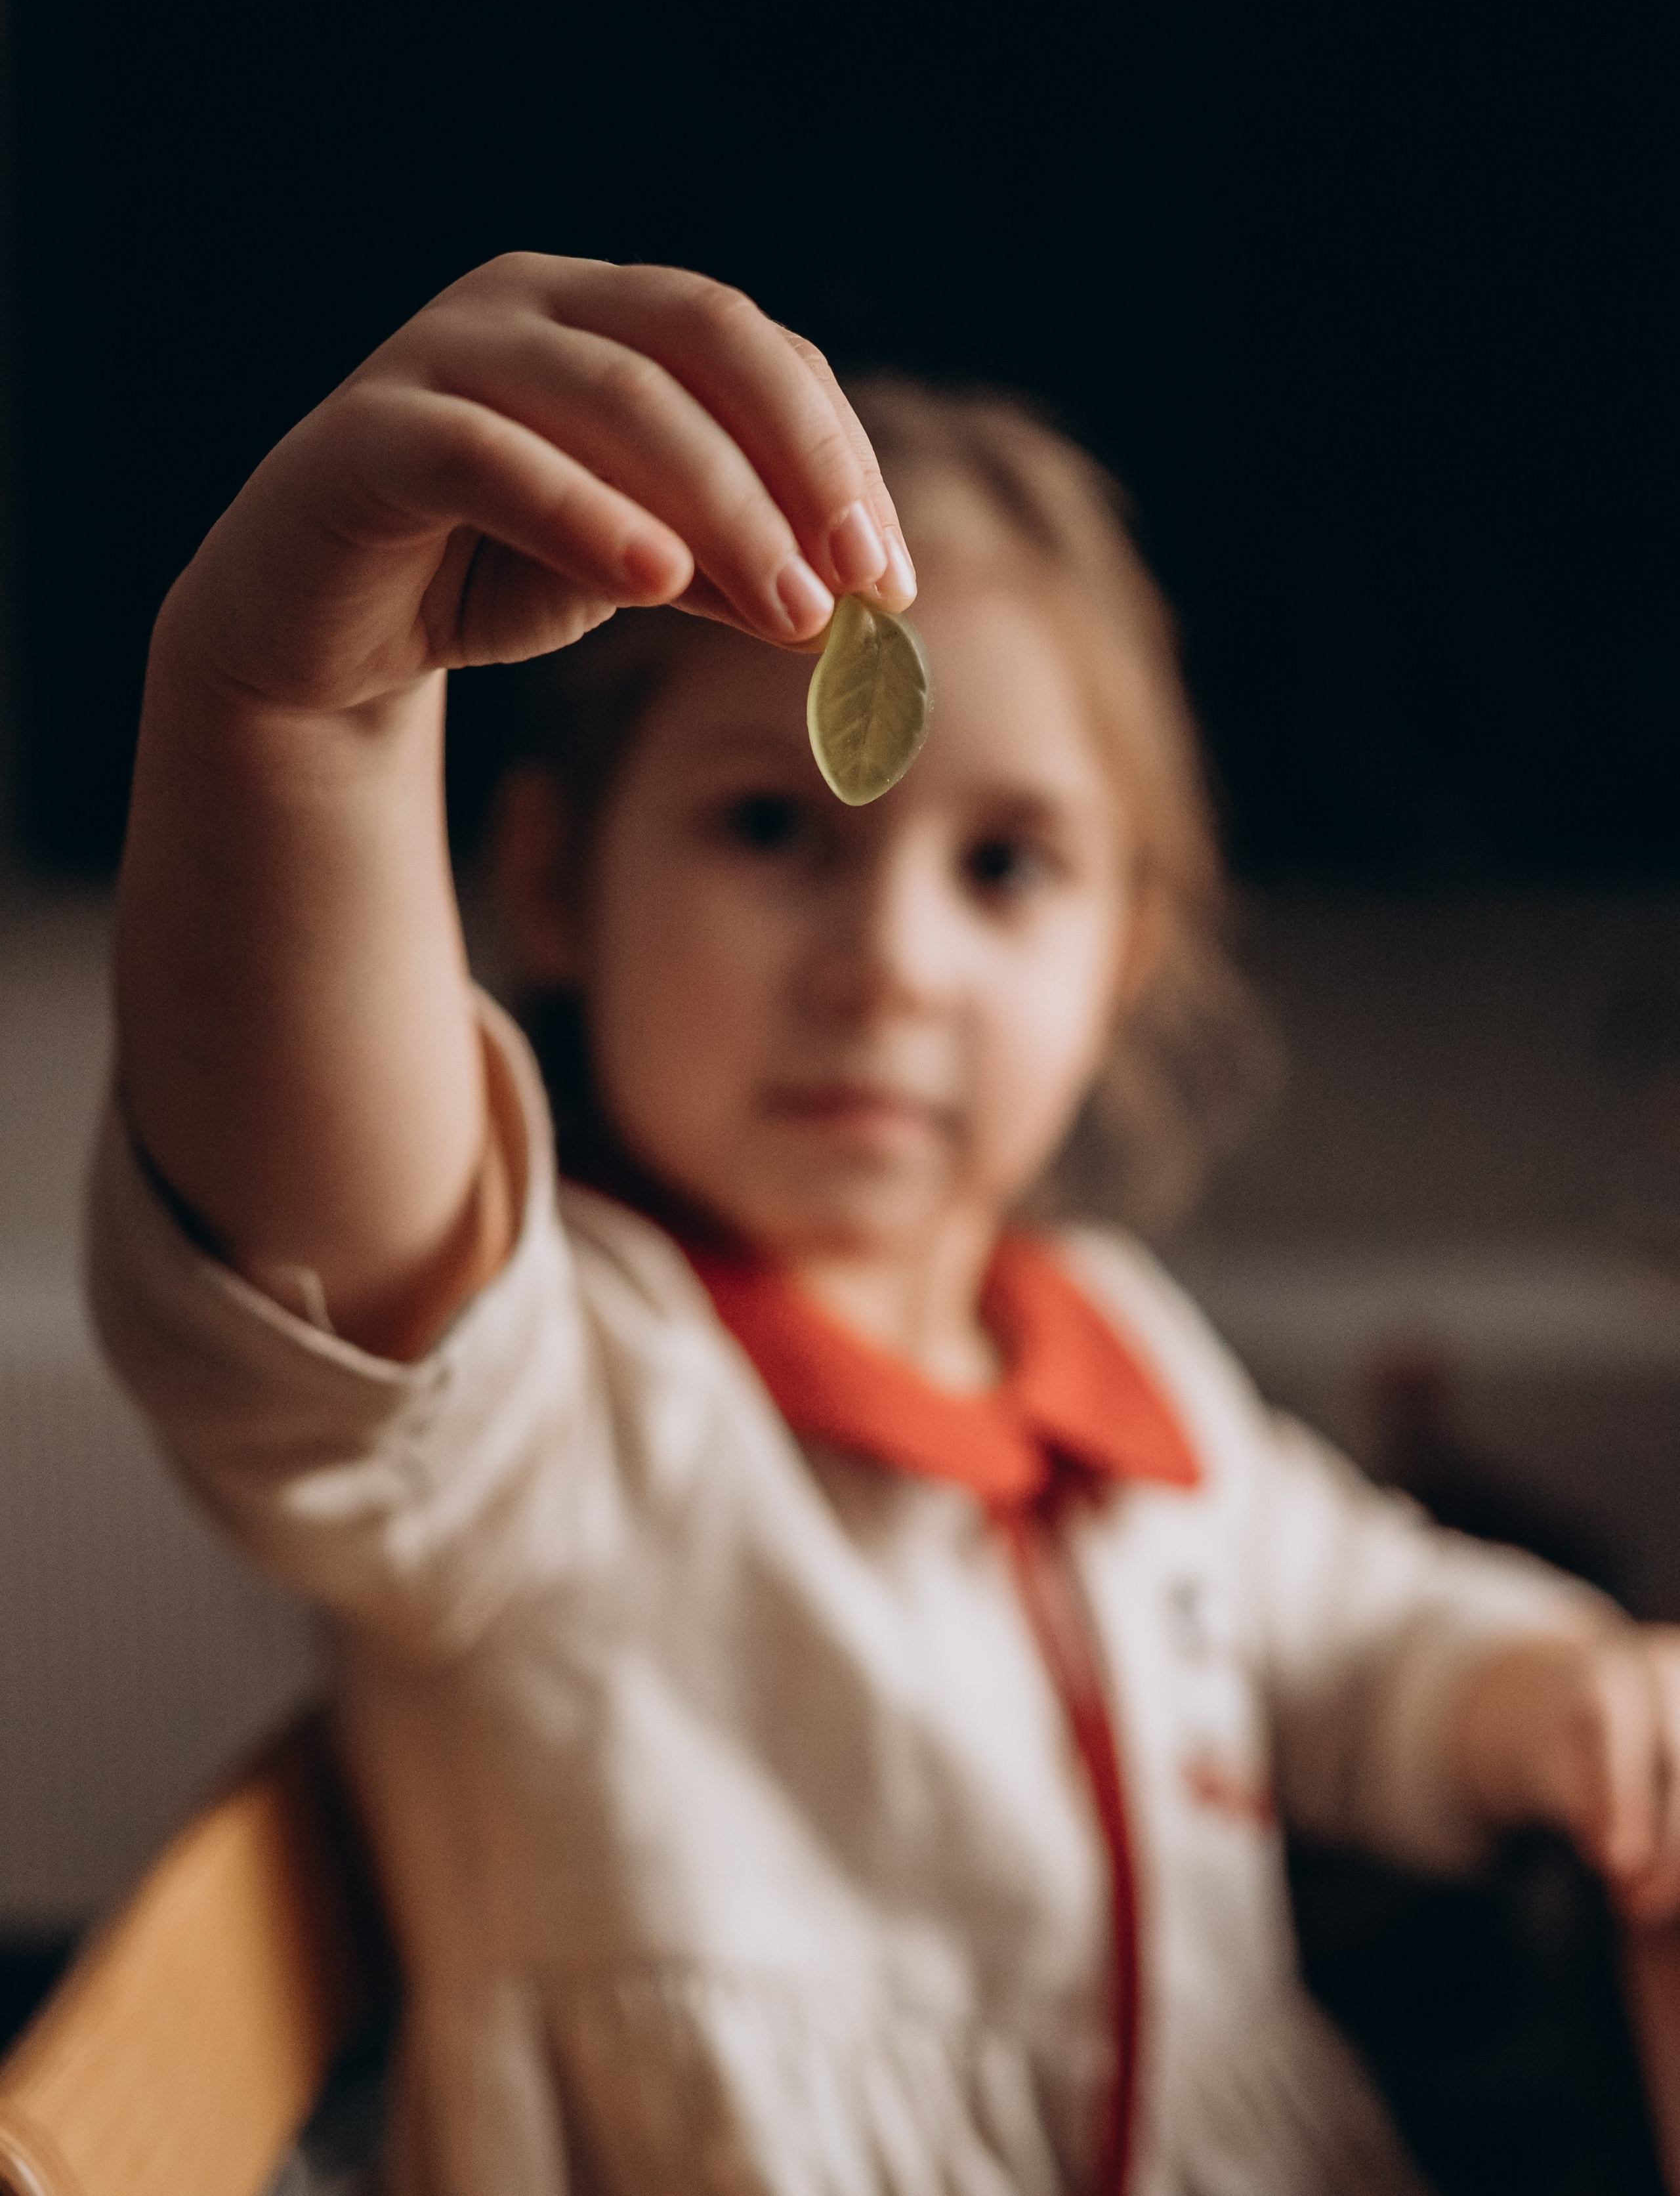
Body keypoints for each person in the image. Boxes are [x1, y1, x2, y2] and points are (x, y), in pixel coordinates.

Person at [89, 253, 1680, 2196]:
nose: (887, 962)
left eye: (1004, 866)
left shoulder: (1117, 1353)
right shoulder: (568, 1383)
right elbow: (324, 1268)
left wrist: (1557, 1689)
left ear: (1125, 957)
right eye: (774, 829)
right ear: (555, 883)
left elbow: (1360, 1636)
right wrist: (291, 720)